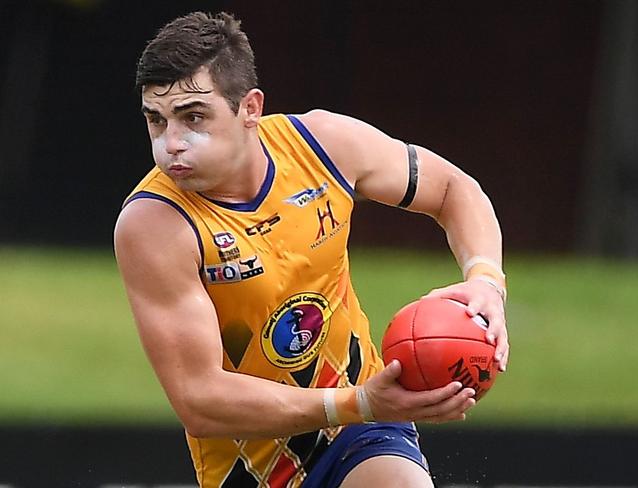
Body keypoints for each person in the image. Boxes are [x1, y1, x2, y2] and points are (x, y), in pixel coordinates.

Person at [114, 11, 508, 488]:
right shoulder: (154, 224)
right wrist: (360, 401)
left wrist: (486, 280)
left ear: (250, 108)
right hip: (252, 466)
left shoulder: (322, 145)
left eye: (193, 117)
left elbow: (453, 190)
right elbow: (199, 399)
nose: (171, 144)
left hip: (361, 428)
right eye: (156, 121)